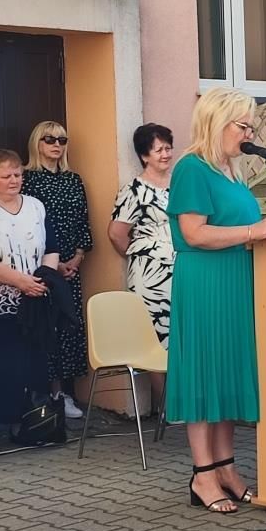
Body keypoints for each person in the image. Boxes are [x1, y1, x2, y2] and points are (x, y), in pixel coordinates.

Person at [167, 89, 266, 514]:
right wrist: (252, 232)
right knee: (204, 374)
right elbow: (194, 233)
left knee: (228, 373)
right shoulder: (191, 168)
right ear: (216, 122)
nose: (249, 134)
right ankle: (202, 474)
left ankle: (227, 469)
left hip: (235, 278)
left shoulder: (232, 171)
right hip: (205, 282)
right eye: (243, 126)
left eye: (252, 126)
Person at [0, 149, 60, 455]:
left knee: (34, 363)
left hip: (34, 298)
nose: (14, 180)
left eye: (18, 174)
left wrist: (42, 278)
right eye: (6, 175)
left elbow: (51, 247)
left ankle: (34, 423)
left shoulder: (36, 206)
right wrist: (19, 281)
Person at [23, 121, 92, 419]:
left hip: (71, 267)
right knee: (45, 327)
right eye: (49, 139)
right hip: (42, 266)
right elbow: (27, 225)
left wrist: (78, 256)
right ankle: (46, 393)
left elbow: (83, 220)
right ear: (37, 143)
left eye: (62, 140)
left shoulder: (73, 180)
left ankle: (65, 393)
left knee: (68, 327)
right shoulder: (27, 179)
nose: (56, 145)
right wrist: (54, 263)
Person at [108, 123, 174, 407]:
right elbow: (116, 233)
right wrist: (143, 256)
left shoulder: (179, 185)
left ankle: (184, 400)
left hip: (182, 269)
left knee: (181, 332)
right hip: (150, 275)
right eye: (159, 150)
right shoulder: (134, 190)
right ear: (144, 155)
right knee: (156, 335)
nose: (166, 154)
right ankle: (164, 404)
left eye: (168, 148)